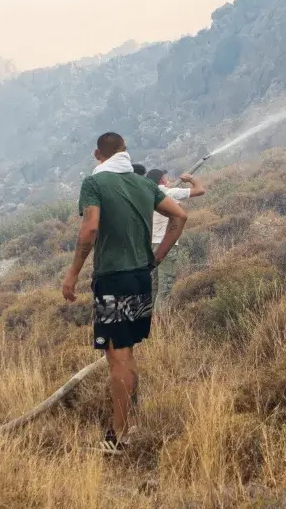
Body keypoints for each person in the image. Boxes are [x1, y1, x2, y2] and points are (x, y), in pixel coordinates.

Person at [62, 132, 186, 454]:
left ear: (96, 154)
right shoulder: (145, 184)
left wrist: (73, 273)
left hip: (113, 280)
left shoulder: (95, 184)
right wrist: (156, 258)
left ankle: (119, 436)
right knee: (126, 352)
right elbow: (180, 215)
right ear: (125, 152)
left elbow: (90, 228)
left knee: (116, 356)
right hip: (140, 279)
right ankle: (131, 424)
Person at [145, 168, 206, 312]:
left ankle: (150, 324)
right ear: (161, 179)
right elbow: (200, 190)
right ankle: (162, 324)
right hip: (166, 244)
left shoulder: (146, 195)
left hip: (149, 245)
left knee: (153, 287)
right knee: (164, 288)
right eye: (164, 177)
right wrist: (190, 178)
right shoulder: (169, 193)